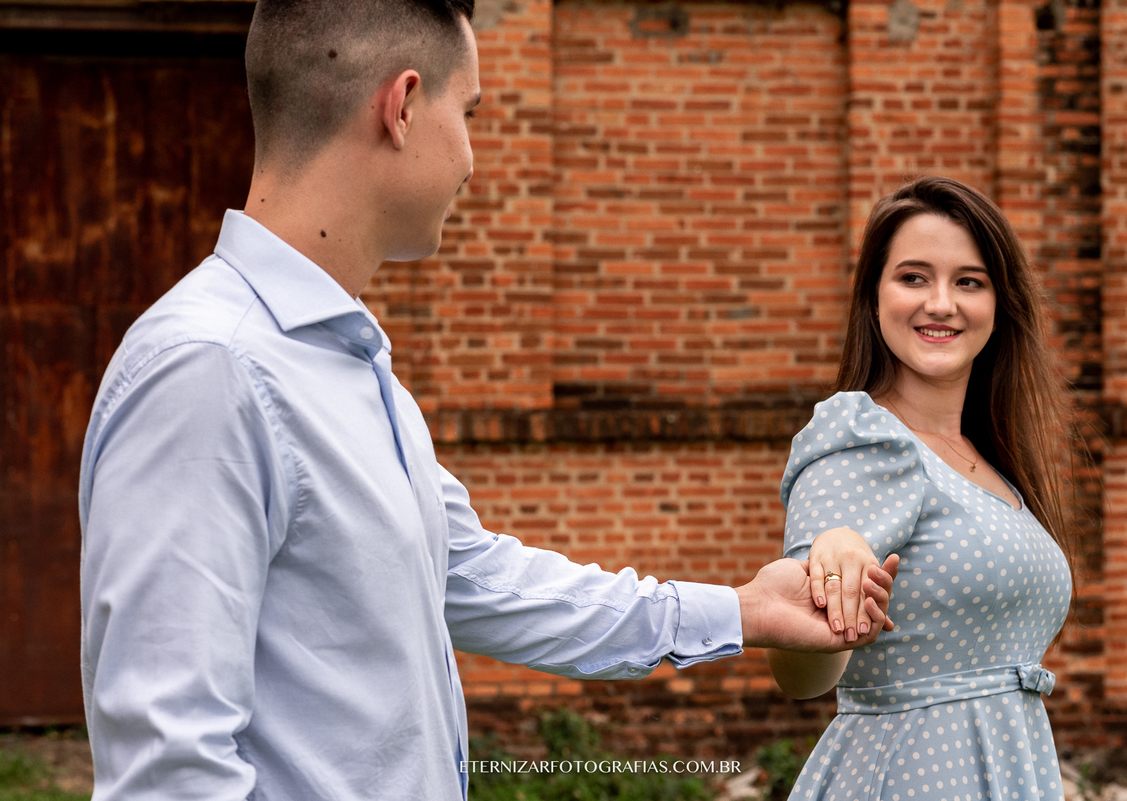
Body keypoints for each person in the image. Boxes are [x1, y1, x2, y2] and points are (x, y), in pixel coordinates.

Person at [77, 2, 899, 800]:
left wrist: (742, 609)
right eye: (466, 112)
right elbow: (169, 768)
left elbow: (479, 577)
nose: (472, 156)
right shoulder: (209, 368)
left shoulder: (350, 364)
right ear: (400, 106)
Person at [767, 176, 1074, 801]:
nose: (941, 302)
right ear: (874, 297)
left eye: (969, 281)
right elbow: (801, 672)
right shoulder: (860, 440)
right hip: (910, 777)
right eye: (913, 277)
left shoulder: (992, 461)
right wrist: (832, 563)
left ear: (998, 302)